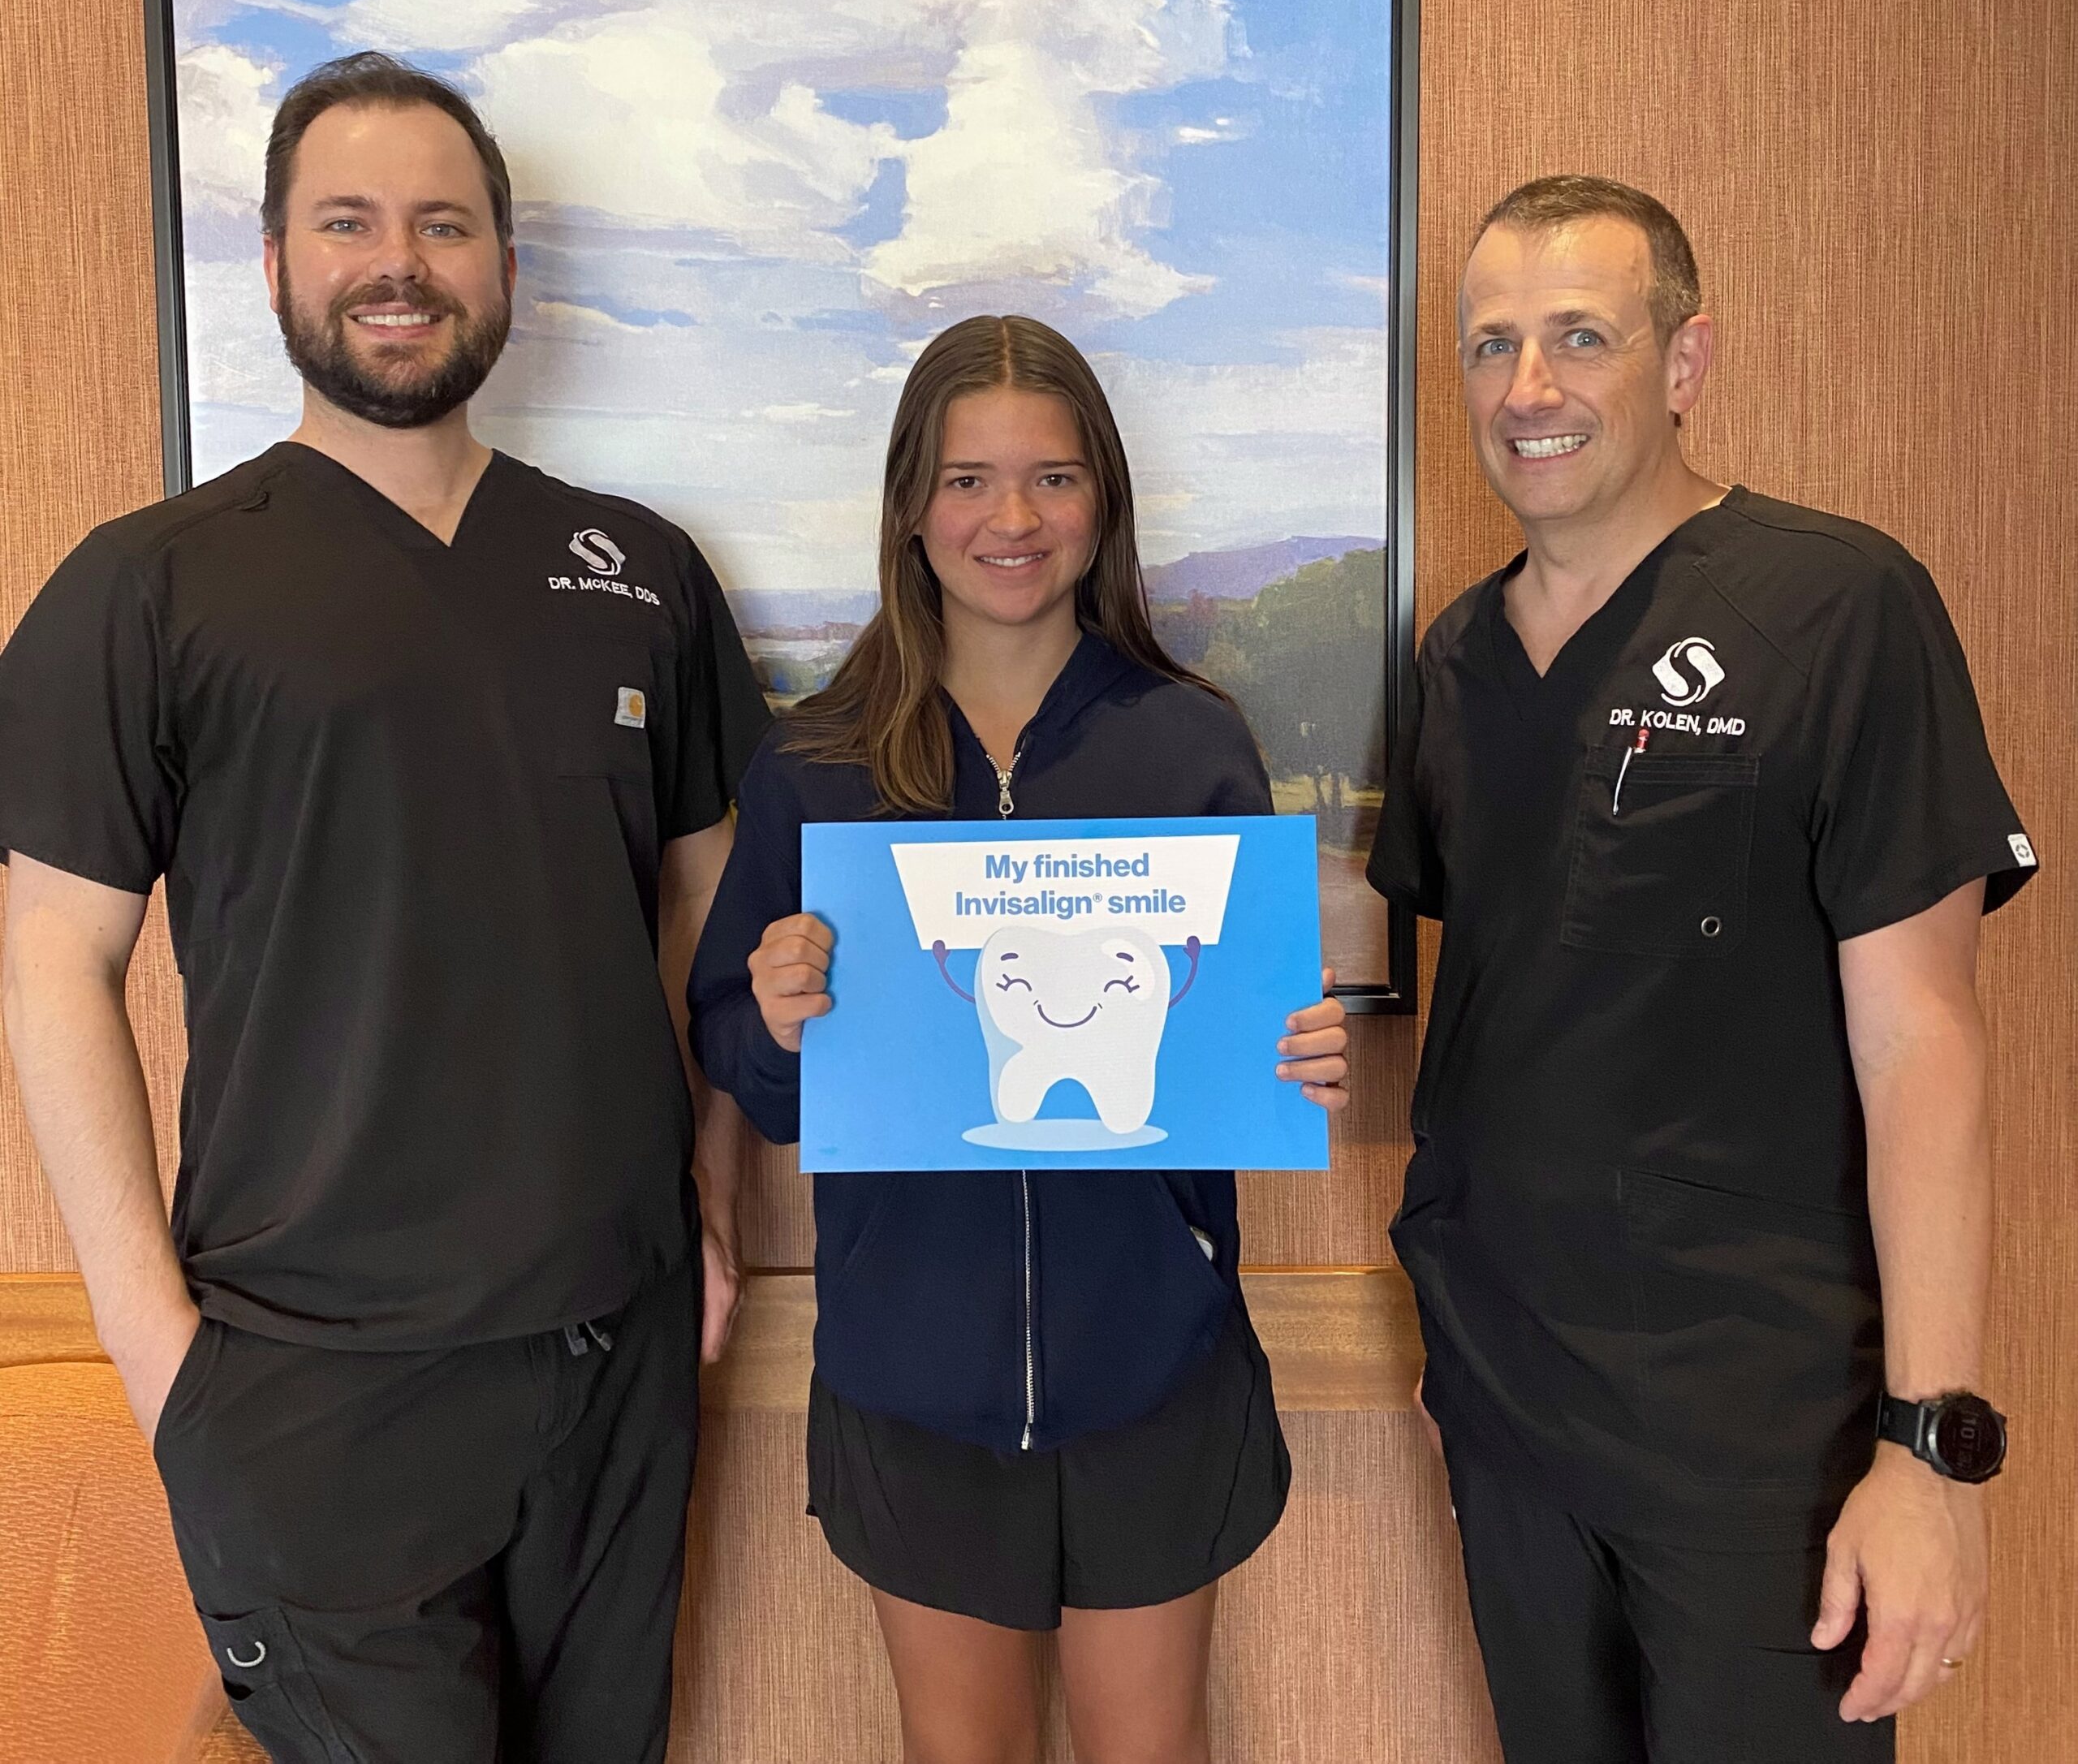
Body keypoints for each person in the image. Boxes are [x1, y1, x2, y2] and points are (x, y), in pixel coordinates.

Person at [0, 52, 772, 1762]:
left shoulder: (638, 572)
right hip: (312, 1380)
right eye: (348, 222)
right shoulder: (147, 587)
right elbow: (52, 958)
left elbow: (708, 910)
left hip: (615, 1345)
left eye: (443, 223)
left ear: (506, 265)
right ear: (276, 261)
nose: (398, 262)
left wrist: (710, 1201)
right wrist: (154, 1350)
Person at [1369, 175, 2035, 1762]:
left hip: (1761, 1432)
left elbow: (1923, 1042)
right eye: (1489, 345)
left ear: (1683, 361)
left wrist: (1926, 1450)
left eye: (1579, 337)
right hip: (1509, 1408)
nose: (1526, 387)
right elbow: (1505, 1001)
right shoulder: (1454, 662)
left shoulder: (1837, 607)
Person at [692, 314, 1349, 1764]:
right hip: (910, 1372)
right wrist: (779, 1024)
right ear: (909, 505)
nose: (1013, 518)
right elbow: (742, 1060)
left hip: (1155, 1363)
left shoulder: (1192, 742)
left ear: (1102, 498)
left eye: (1052, 477)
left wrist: (1294, 1053)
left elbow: (1238, 1033)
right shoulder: (815, 764)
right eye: (968, 479)